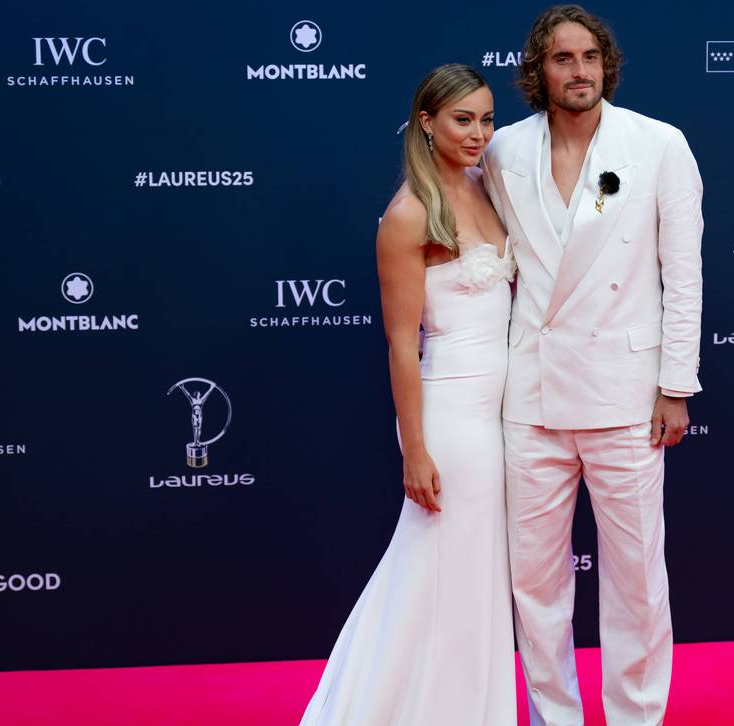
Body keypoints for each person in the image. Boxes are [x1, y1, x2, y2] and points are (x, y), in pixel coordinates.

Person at [480, 5, 704, 725]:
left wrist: (675, 385)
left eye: (589, 58)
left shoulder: (658, 143)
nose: (578, 72)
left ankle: (637, 715)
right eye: (561, 58)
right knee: (534, 583)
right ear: (538, 71)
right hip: (532, 395)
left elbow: (684, 274)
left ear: (605, 64)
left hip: (626, 395)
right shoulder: (504, 151)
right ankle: (554, 717)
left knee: (637, 580)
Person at [300, 63, 517, 726]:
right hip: (450, 417)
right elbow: (401, 346)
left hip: (501, 410)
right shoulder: (408, 214)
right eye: (462, 119)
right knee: (437, 569)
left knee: (473, 576)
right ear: (425, 122)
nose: (478, 132)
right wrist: (415, 450)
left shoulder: (491, 188)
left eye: (485, 118)